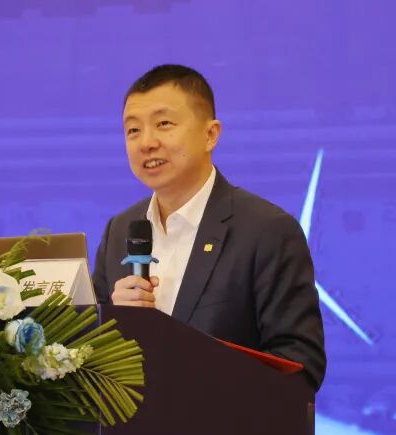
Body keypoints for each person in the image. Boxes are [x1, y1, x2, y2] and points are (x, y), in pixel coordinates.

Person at [92, 64, 327, 391]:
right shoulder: (120, 231)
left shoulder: (267, 230)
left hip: (227, 422)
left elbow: (301, 366)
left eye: (163, 124)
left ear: (210, 135)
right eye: (133, 130)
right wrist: (115, 320)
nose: (146, 142)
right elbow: (92, 356)